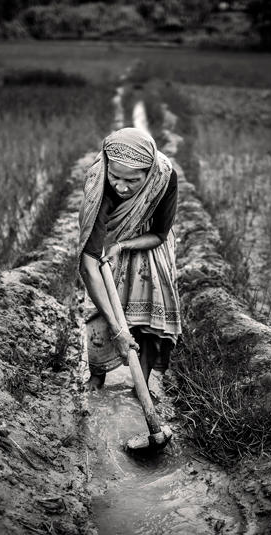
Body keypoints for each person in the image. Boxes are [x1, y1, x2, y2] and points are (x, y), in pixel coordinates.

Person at [77, 127, 181, 392]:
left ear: (149, 175)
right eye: (115, 177)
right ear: (108, 168)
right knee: (100, 311)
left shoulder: (164, 178)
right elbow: (89, 263)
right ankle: (97, 376)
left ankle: (141, 386)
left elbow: (159, 232)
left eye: (132, 181)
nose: (121, 187)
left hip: (147, 244)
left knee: (146, 315)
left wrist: (124, 245)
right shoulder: (99, 184)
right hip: (107, 243)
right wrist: (118, 330)